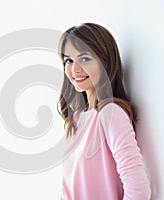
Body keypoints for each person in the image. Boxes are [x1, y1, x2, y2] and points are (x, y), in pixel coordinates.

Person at [57, 23, 151, 200]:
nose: (75, 69)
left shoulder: (111, 114)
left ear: (105, 61)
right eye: (68, 60)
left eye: (84, 59)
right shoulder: (77, 119)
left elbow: (138, 189)